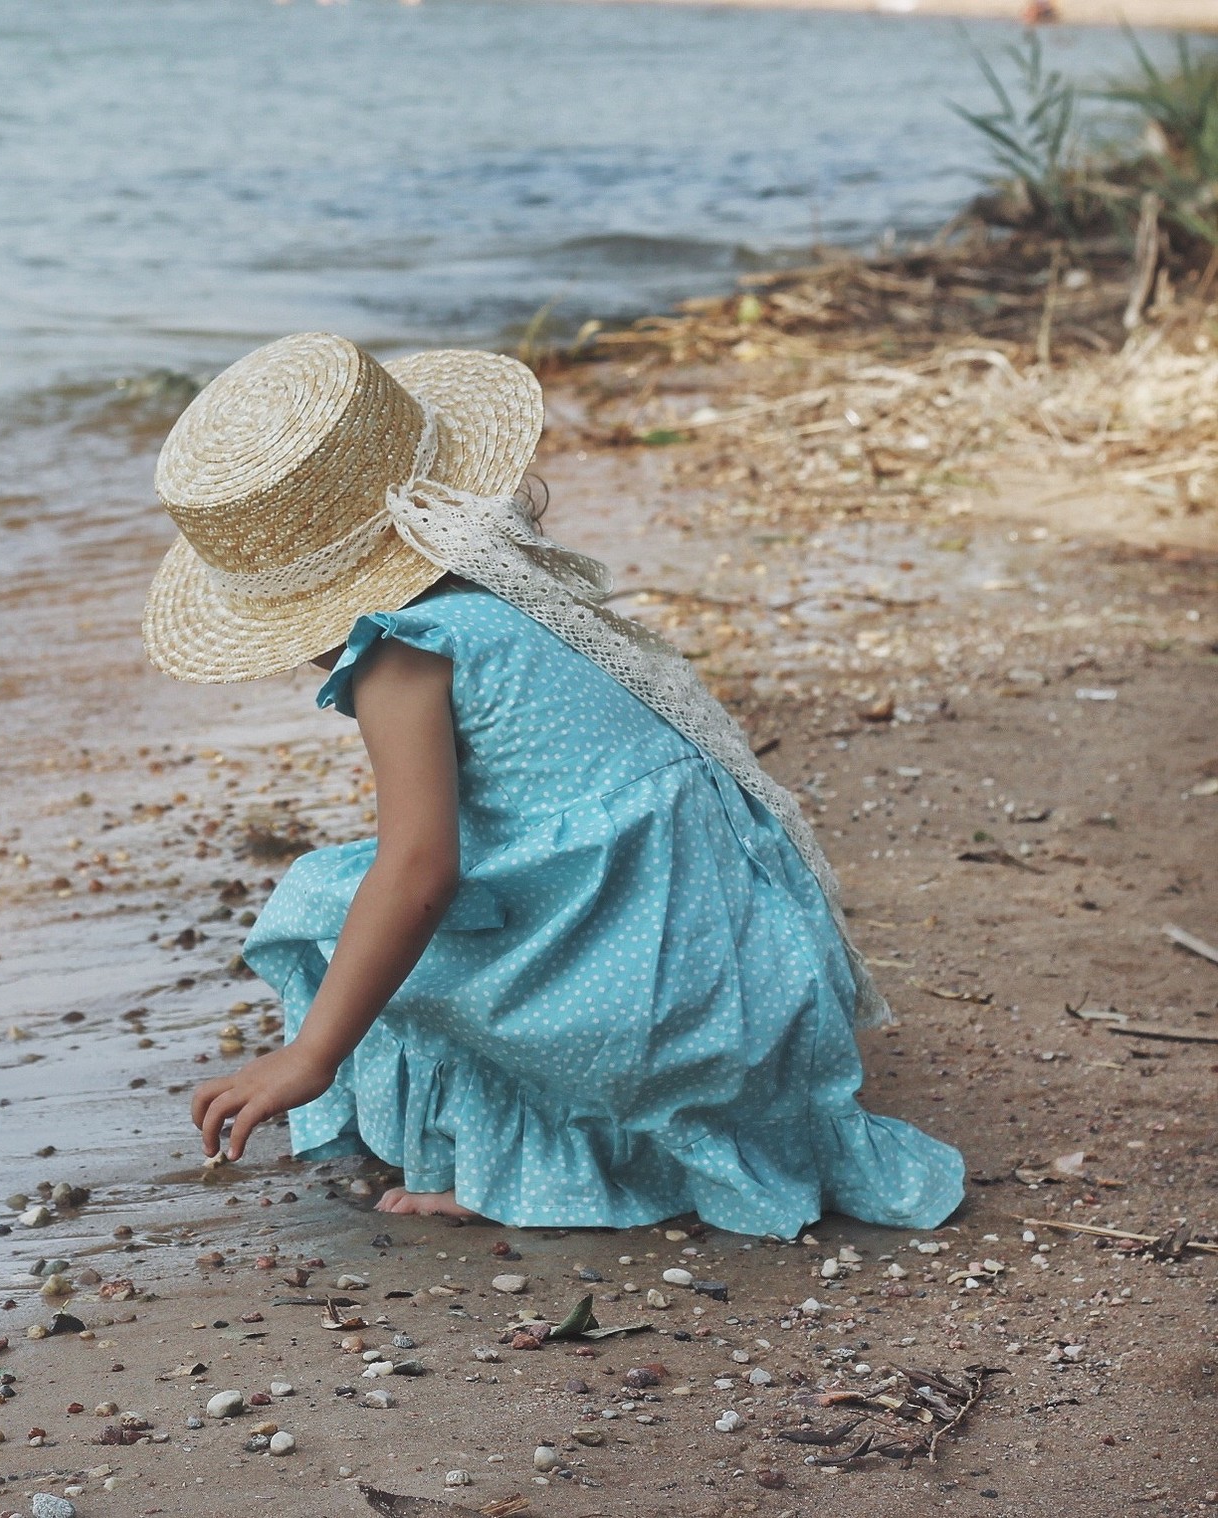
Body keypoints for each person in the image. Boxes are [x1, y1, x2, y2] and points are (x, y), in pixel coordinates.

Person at [143, 332, 963, 1238]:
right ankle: (589, 1119)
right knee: (388, 897)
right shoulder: (516, 598)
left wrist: (310, 1055)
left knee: (328, 908)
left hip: (651, 1006)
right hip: (741, 978)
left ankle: (525, 1156)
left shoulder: (401, 651)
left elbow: (420, 872)